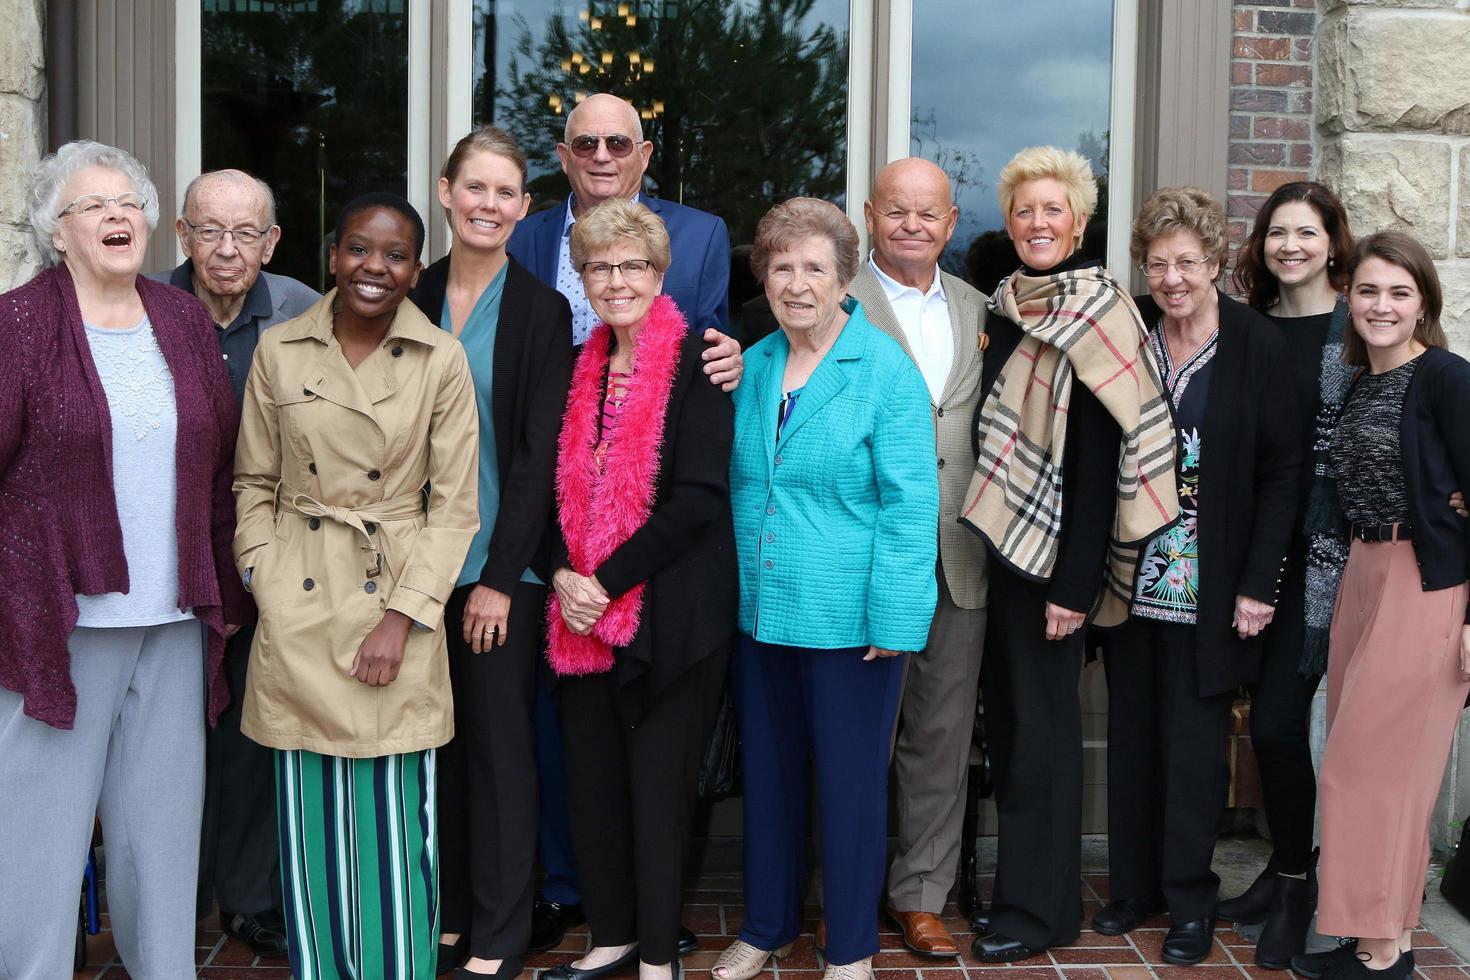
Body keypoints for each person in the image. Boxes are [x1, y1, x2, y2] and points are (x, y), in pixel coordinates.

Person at [0, 139, 247, 978]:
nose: (117, 216)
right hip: (56, 626)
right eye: (93, 204)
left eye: (129, 202)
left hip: (173, 618)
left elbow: (218, 469)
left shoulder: (179, 319)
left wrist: (221, 589)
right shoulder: (18, 324)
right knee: (38, 837)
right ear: (57, 231)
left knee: (161, 835)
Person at [507, 91, 742, 952]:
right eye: (600, 270)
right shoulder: (570, 369)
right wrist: (567, 578)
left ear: (660, 274)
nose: (616, 283)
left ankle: (653, 947)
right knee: (592, 782)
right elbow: (538, 480)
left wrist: (602, 580)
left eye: (632, 270)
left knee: (656, 785)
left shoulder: (703, 369)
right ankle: (608, 931)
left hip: (667, 611)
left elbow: (697, 501)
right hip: (581, 611)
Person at [232, 193, 479, 980]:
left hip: (392, 598)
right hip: (298, 599)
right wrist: (263, 575)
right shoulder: (281, 350)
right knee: (310, 834)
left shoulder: (441, 357)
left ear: (415, 268)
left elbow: (455, 509)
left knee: (396, 834)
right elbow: (253, 480)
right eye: (360, 250)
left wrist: (400, 621)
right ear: (333, 256)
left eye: (397, 254)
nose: (377, 267)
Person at [959, 147, 1179, 964]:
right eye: (1024, 210)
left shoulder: (1099, 310)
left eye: (1054, 211)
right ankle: (1034, 904)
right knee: (1013, 733)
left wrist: (1074, 586)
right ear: (1008, 222)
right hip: (1005, 556)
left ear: (1080, 224)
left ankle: (1034, 914)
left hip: (1057, 568)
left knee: (1042, 740)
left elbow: (1101, 463)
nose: (1038, 223)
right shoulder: (1006, 306)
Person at [717, 198, 939, 980]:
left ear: (846, 278)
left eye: (815, 267)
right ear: (764, 279)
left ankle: (848, 947)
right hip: (762, 612)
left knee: (849, 792)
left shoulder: (884, 371)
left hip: (852, 621)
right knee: (770, 783)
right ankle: (767, 922)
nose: (797, 283)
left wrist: (896, 617)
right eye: (782, 267)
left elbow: (912, 506)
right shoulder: (757, 365)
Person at [1093, 187, 1301, 966]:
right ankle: (1133, 887)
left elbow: (1283, 473)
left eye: (1187, 262)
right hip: (1129, 575)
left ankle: (1188, 898)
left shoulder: (1255, 344)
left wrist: (1258, 584)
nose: (1172, 277)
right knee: (1131, 737)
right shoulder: (1134, 337)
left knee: (1193, 748)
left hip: (1209, 586)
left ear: (1216, 263)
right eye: (1157, 263)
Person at [409, 127, 574, 980]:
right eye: (475, 188)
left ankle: (502, 937)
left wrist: (501, 581)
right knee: (437, 752)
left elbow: (537, 457)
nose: (489, 205)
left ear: (524, 208)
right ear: (446, 192)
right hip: (408, 572)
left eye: (506, 193)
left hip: (498, 573)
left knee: (503, 753)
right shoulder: (409, 292)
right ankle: (450, 918)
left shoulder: (543, 310)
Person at [149, 166, 320, 958]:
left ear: (272, 241)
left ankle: (252, 900)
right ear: (180, 235)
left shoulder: (303, 313)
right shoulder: (143, 309)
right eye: (207, 231)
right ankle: (169, 900)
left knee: (252, 735)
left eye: (245, 232)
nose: (226, 249)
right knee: (167, 739)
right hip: (165, 559)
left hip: (265, 561)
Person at [1308, 232, 1470, 980]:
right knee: (1381, 769)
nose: (1381, 306)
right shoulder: (1357, 382)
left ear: (1424, 305)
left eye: (1399, 293)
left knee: (1361, 769)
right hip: (1364, 576)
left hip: (1425, 582)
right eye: (1369, 290)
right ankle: (1386, 940)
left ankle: (1379, 953)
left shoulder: (1445, 377)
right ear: (1348, 298)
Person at [846, 158, 988, 956]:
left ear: (952, 220)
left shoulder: (979, 308)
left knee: (940, 734)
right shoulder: (834, 303)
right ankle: (848, 887)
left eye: (927, 214)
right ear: (870, 215)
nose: (912, 225)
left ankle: (921, 895)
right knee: (859, 733)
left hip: (959, 553)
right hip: (863, 554)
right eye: (897, 211)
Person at [1213, 181, 1355, 969]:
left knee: (1274, 721)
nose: (1289, 247)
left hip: (1329, 556)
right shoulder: (1251, 330)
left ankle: (1301, 883)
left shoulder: (1356, 326)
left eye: (1305, 233)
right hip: (1258, 549)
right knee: (1260, 724)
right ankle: (1284, 866)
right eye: (1276, 234)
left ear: (1334, 241)